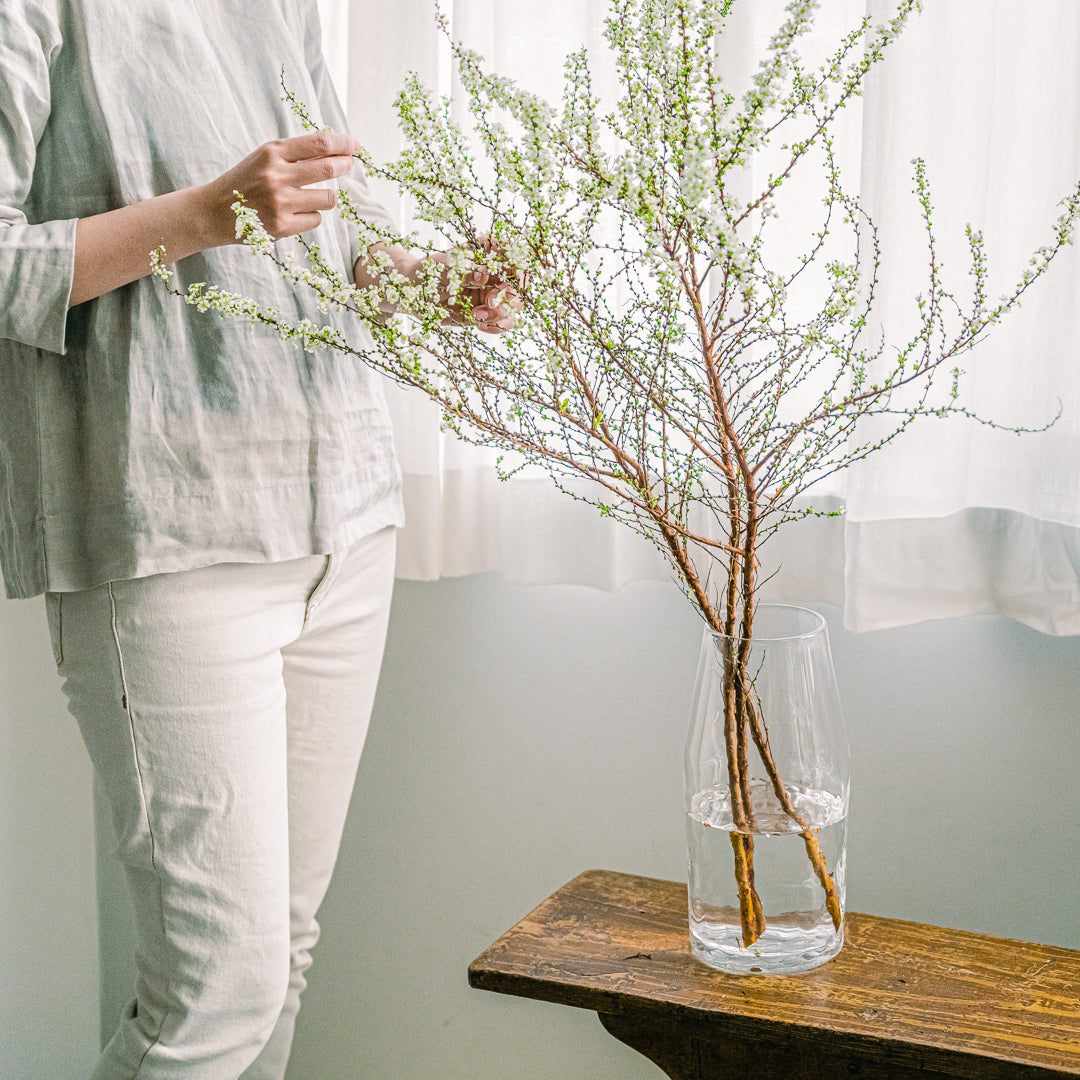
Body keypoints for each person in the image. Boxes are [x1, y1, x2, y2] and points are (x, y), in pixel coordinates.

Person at [0, 2, 517, 1077]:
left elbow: (338, 234)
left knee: (278, 964)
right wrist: (207, 212)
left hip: (343, 515)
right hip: (168, 531)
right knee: (213, 999)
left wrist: (438, 283)